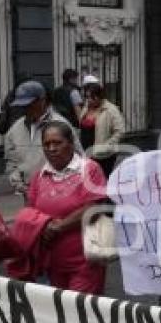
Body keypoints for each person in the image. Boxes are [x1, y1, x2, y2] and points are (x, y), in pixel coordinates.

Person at [23, 121, 108, 294]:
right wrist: (40, 227)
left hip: (86, 263)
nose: (52, 148)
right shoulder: (40, 176)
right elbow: (30, 212)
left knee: (80, 313)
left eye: (57, 142)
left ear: (70, 143)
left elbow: (93, 208)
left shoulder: (89, 169)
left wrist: (59, 227)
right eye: (47, 144)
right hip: (53, 264)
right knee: (61, 313)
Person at [4, 80, 78, 197]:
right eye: (22, 105)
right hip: (29, 194)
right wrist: (19, 185)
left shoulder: (61, 125)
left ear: (42, 100)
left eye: (30, 104)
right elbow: (11, 162)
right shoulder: (15, 130)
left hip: (59, 192)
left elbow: (78, 158)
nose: (25, 108)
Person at [78, 77, 125, 177]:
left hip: (103, 155)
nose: (89, 100)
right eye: (87, 97)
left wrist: (106, 146)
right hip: (86, 152)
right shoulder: (86, 108)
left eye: (92, 97)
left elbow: (119, 131)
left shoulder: (110, 109)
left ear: (100, 96)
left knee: (101, 180)